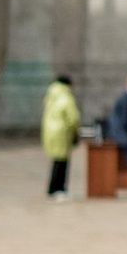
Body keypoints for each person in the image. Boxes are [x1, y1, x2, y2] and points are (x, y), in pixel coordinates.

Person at [40, 71, 81, 200]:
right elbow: (73, 117)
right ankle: (58, 189)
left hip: (49, 131)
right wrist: (76, 130)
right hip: (62, 132)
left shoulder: (51, 95)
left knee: (56, 161)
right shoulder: (65, 96)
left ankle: (53, 188)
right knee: (62, 162)